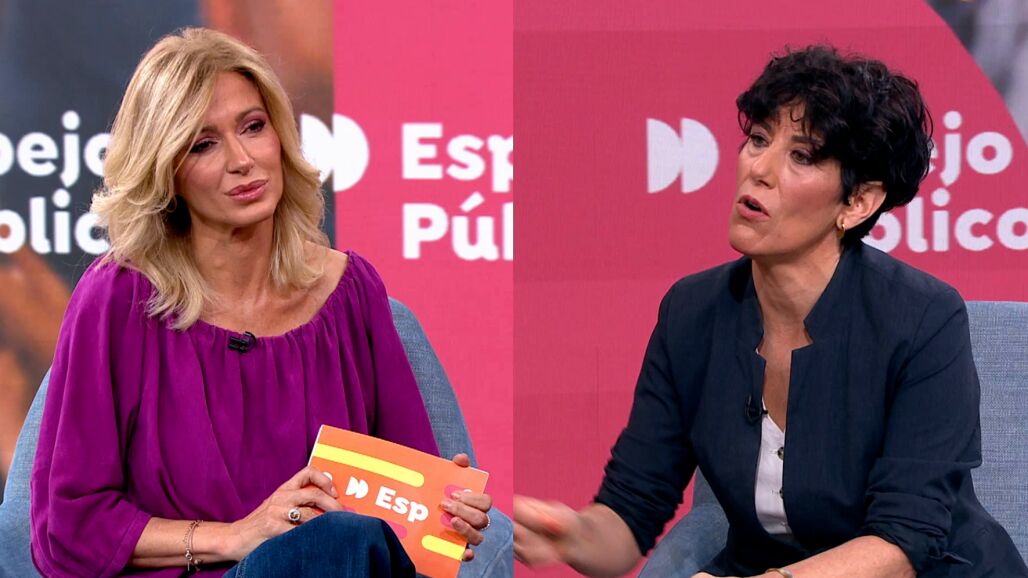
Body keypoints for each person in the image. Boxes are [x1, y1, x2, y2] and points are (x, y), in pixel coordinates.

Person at [514, 46, 1028, 578]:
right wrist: (572, 535)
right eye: (759, 140)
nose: (758, 168)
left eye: (801, 156)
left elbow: (903, 544)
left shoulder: (923, 319)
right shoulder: (691, 314)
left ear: (857, 202)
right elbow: (629, 519)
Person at [30, 28, 492, 577]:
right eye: (203, 144)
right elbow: (70, 526)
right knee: (336, 541)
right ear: (167, 172)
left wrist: (446, 517)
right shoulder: (118, 300)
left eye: (253, 127)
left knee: (343, 542)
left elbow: (407, 520)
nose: (243, 159)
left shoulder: (351, 294)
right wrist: (237, 536)